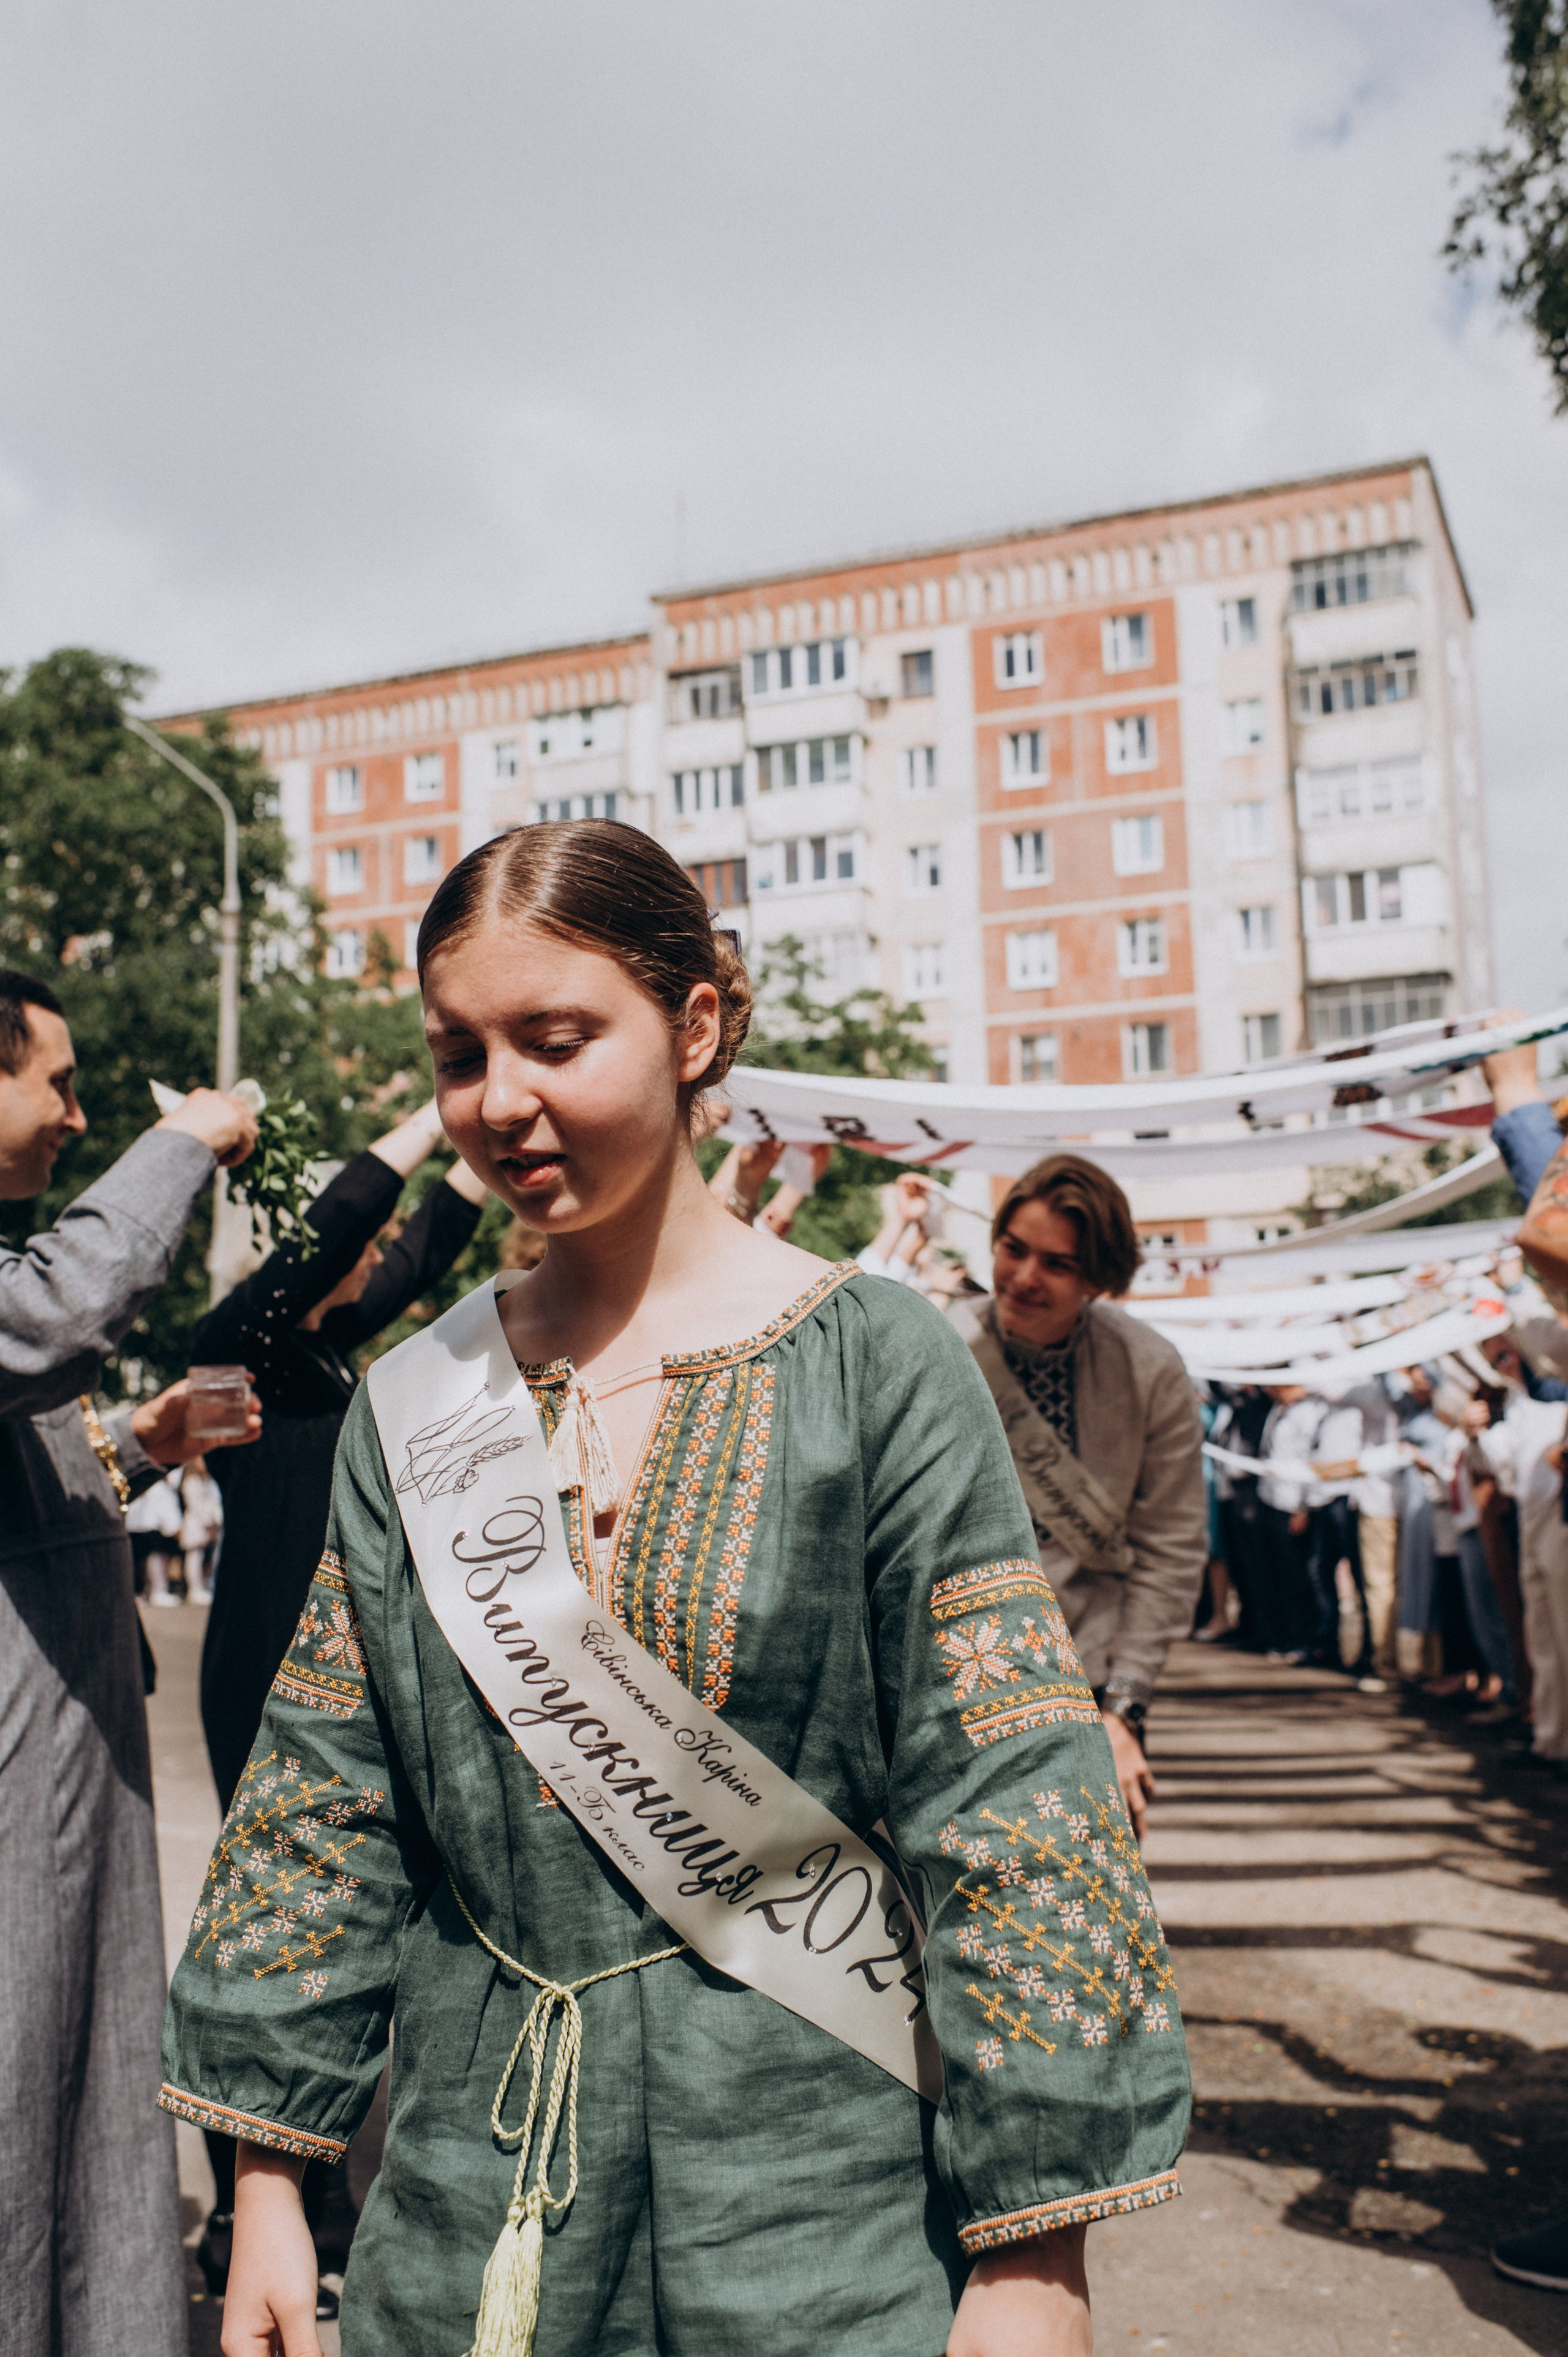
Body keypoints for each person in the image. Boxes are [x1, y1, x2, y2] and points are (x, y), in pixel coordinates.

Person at [160, 821, 1190, 2357]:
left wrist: (1033, 2255)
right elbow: (325, 1800)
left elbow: (1007, 1796)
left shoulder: (879, 1363)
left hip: (817, 2211)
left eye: (554, 1037)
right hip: (468, 2209)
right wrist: (268, 2188)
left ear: (695, 1024)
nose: (498, 1098)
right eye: (459, 1052)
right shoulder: (414, 1402)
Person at [186, 1093, 489, 2301]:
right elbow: (347, 1225)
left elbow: (425, 1246)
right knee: (270, 1926)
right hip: (256, 1661)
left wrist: (474, 1138)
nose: (372, 1254)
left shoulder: (324, 1347)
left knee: (354, 1929)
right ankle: (245, 2214)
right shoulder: (237, 1338)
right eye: (348, 1234)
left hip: (343, 1662)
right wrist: (430, 1105)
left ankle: (325, 2197)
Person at [0, 965, 262, 2357]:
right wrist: (191, 1136)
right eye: (59, 1082)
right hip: (21, 1805)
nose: (76, 1113)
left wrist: (141, 1444)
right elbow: (54, 1309)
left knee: (76, 2097)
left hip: (63, 1786)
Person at [951, 1154, 1208, 1838]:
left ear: (1097, 1278)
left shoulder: (1149, 1369)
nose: (1024, 1277)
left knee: (1073, 1910)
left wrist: (1124, 1711)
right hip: (946, 1674)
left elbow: (1170, 1549)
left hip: (1084, 1678)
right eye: (1013, 1249)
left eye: (1057, 1264)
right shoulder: (939, 1346)